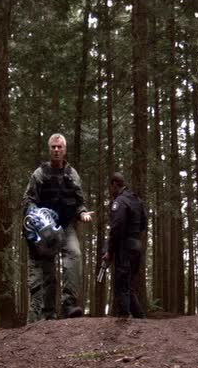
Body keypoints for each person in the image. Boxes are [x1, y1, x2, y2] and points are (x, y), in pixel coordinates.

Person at [23, 134, 92, 322]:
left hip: (66, 225)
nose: (56, 150)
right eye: (53, 147)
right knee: (48, 270)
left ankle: (69, 304)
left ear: (65, 149)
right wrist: (36, 215)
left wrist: (82, 213)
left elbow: (80, 202)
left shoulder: (72, 174)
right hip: (44, 229)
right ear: (49, 149)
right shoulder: (40, 173)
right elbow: (28, 199)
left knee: (74, 253)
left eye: (59, 147)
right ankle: (49, 313)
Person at [102, 172, 146, 318]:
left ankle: (124, 317)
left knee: (122, 283)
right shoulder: (137, 200)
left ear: (114, 184)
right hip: (136, 246)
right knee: (129, 285)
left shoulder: (120, 201)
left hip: (125, 247)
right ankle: (140, 317)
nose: (111, 190)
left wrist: (110, 250)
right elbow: (143, 224)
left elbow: (116, 228)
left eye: (111, 187)